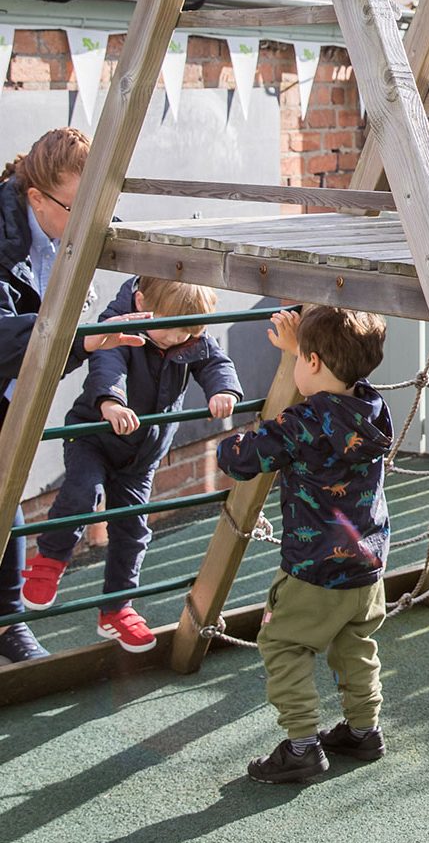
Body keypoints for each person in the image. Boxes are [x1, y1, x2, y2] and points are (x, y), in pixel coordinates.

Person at [216, 305, 392, 784]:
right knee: (355, 640)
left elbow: (243, 460)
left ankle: (301, 747)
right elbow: (331, 386)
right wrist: (304, 349)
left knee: (283, 641)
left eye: (303, 360)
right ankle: (363, 730)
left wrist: (227, 442)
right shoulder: (372, 407)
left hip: (316, 567)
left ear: (312, 364)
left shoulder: (302, 422)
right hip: (369, 562)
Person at [20, 275, 241, 653]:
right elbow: (109, 364)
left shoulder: (186, 336)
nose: (175, 341)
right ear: (140, 302)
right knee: (84, 493)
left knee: (133, 530)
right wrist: (111, 402)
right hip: (94, 437)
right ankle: (50, 559)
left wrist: (223, 390)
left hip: (141, 456)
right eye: (169, 333)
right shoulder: (119, 324)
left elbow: (214, 361)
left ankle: (117, 609)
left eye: (185, 335)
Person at [0, 128, 149, 666]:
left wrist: (88, 340)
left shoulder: (65, 232)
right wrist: (85, 339)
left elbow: (51, 343)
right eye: (77, 206)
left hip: (14, 386)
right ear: (36, 197)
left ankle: (8, 624)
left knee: (7, 489)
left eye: (99, 207)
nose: (91, 222)